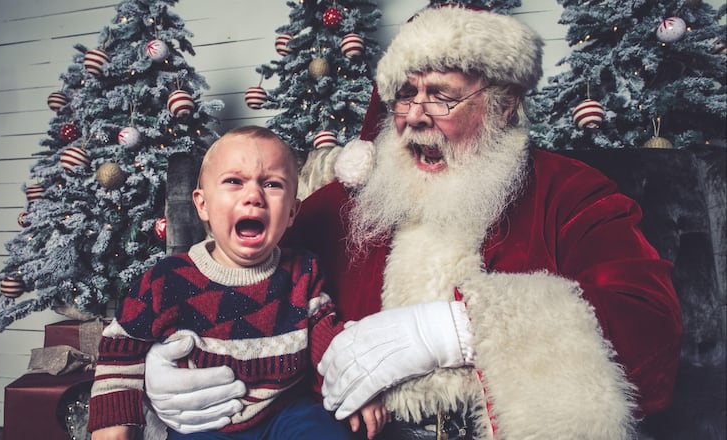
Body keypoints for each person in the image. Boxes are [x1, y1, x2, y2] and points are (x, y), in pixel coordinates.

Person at [143, 6, 682, 440]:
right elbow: (250, 286)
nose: (417, 116)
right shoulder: (339, 206)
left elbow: (648, 326)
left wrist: (458, 331)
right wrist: (167, 363)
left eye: (443, 95)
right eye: (405, 94)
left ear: (503, 103)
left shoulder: (568, 191)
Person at [87, 126, 388, 440]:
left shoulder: (302, 271)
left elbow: (325, 335)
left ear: (291, 213)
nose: (253, 197)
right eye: (234, 181)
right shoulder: (168, 279)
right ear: (203, 205)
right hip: (204, 423)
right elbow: (121, 347)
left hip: (283, 411)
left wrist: (357, 384)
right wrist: (114, 425)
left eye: (272, 184)